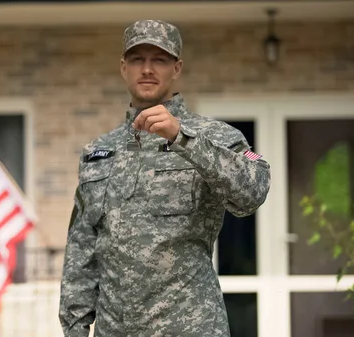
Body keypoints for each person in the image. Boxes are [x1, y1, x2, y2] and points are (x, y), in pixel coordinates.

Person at [58, 19, 271, 337]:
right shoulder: (98, 151)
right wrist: (74, 327)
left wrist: (181, 137)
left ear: (177, 68)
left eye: (159, 59)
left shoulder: (215, 136)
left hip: (188, 327)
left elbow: (251, 193)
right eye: (137, 59)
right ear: (123, 68)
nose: (147, 69)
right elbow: (83, 244)